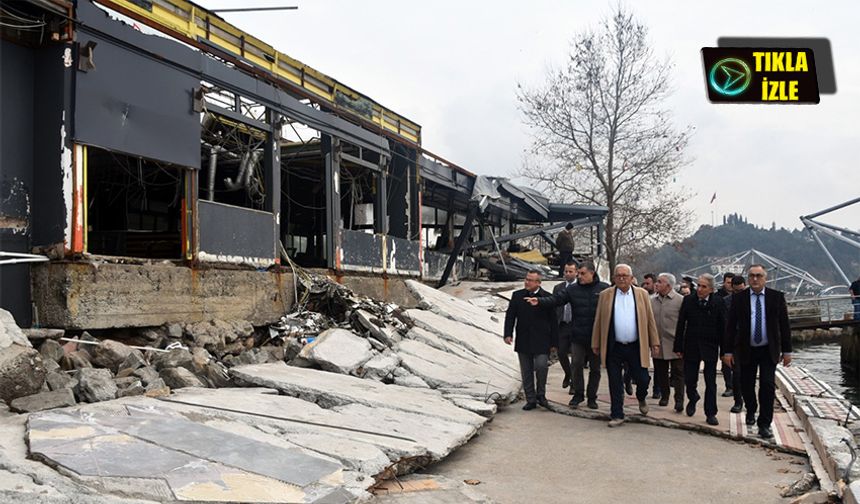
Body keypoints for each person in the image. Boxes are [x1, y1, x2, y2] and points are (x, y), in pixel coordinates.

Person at [724, 264, 792, 439]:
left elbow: (784, 326)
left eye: (759, 276)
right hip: (746, 349)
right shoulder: (739, 299)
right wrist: (728, 352)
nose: (755, 279)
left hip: (768, 349)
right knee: (746, 384)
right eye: (752, 276)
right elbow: (730, 327)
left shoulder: (776, 298)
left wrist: (787, 351)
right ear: (748, 278)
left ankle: (764, 423)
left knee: (767, 386)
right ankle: (751, 409)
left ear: (765, 278)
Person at [531, 261, 608, 409]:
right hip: (578, 335)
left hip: (597, 337)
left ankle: (592, 397)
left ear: (592, 273)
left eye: (583, 274)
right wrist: (540, 301)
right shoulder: (573, 289)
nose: (579, 276)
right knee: (576, 365)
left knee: (595, 369)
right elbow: (556, 299)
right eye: (578, 274)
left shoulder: (604, 289)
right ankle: (578, 394)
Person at [591, 264, 660, 427]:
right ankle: (617, 414)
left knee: (643, 378)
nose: (622, 278)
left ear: (631, 278)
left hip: (636, 345)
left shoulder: (642, 294)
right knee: (615, 381)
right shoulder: (605, 295)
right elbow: (598, 320)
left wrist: (654, 342)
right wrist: (595, 342)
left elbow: (650, 319)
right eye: (618, 275)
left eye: (625, 275)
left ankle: (641, 397)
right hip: (614, 345)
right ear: (614, 278)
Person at [674, 273, 726, 426]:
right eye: (699, 286)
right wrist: (678, 345)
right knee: (690, 379)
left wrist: (724, 351)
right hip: (691, 345)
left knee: (711, 382)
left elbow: (723, 328)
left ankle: (710, 413)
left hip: (710, 345)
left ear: (711, 289)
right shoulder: (689, 300)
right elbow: (681, 323)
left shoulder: (718, 302)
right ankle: (693, 397)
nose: (700, 289)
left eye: (704, 286)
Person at [505, 270, 557, 410]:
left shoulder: (547, 297)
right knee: (526, 370)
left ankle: (541, 395)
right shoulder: (517, 296)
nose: (527, 282)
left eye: (531, 280)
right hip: (523, 338)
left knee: (541, 366)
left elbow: (554, 321)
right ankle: (531, 399)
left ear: (538, 283)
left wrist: (554, 342)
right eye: (526, 279)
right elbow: (510, 315)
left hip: (542, 340)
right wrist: (508, 334)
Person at [651, 273, 685, 412]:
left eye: (660, 282)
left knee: (678, 373)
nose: (656, 284)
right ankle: (664, 396)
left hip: (675, 343)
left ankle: (679, 400)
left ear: (669, 285)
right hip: (658, 343)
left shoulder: (680, 301)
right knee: (661, 372)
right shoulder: (651, 300)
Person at [553, 261, 578, 391]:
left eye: (570, 271)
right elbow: (554, 305)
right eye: (566, 271)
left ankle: (574, 383)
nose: (567, 274)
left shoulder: (580, 287)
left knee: (575, 356)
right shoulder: (558, 288)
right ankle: (568, 373)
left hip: (575, 325)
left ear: (576, 272)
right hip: (562, 325)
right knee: (561, 352)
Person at [725, 274, 746, 413]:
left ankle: (749, 400)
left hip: (751, 342)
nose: (739, 294)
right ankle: (738, 401)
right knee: (737, 373)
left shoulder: (752, 299)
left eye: (741, 291)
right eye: (736, 291)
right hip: (735, 342)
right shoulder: (727, 302)